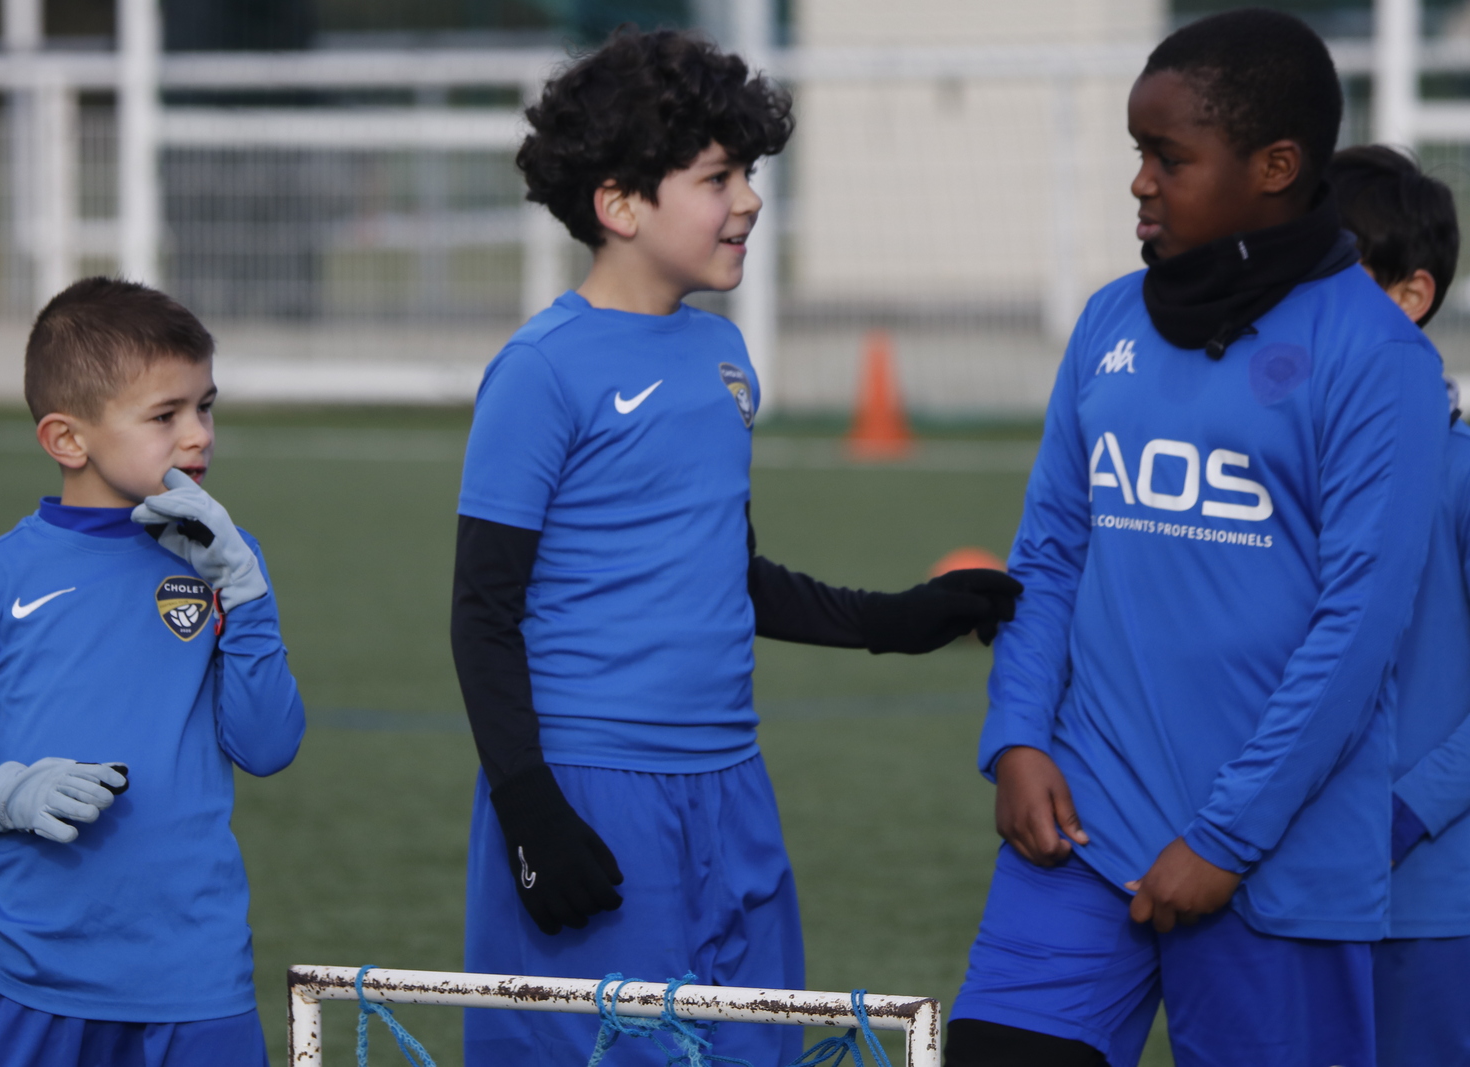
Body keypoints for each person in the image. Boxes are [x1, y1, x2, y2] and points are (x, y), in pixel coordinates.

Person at [450, 27, 1022, 1067]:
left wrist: (893, 620)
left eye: (748, 173)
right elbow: (483, 612)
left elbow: (728, 573)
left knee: (752, 1047)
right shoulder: (541, 370)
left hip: (730, 782)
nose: (750, 200)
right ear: (621, 204)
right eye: (718, 177)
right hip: (593, 786)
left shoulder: (723, 354)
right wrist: (530, 809)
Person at [945, 12, 1450, 1067]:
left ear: (1275, 167)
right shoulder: (1108, 322)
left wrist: (1227, 837)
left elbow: (1355, 632)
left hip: (1276, 865)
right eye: (1138, 152)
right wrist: (1019, 735)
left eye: (1168, 158)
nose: (1139, 181)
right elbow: (1049, 555)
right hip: (1079, 836)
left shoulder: (1376, 358)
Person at [0, 277, 305, 1067]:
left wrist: (246, 595)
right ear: (67, 439)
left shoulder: (226, 558)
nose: (198, 435)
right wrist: (1, 793)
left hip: (197, 981)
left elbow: (268, 745)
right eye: (165, 415)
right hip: (32, 978)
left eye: (205, 406)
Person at [1329, 144, 1470, 1067]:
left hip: (1425, 902)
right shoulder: (1290, 471)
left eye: (1332, 280)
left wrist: (1400, 816)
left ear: (1412, 294)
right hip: (1287, 893)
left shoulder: (1459, 473)